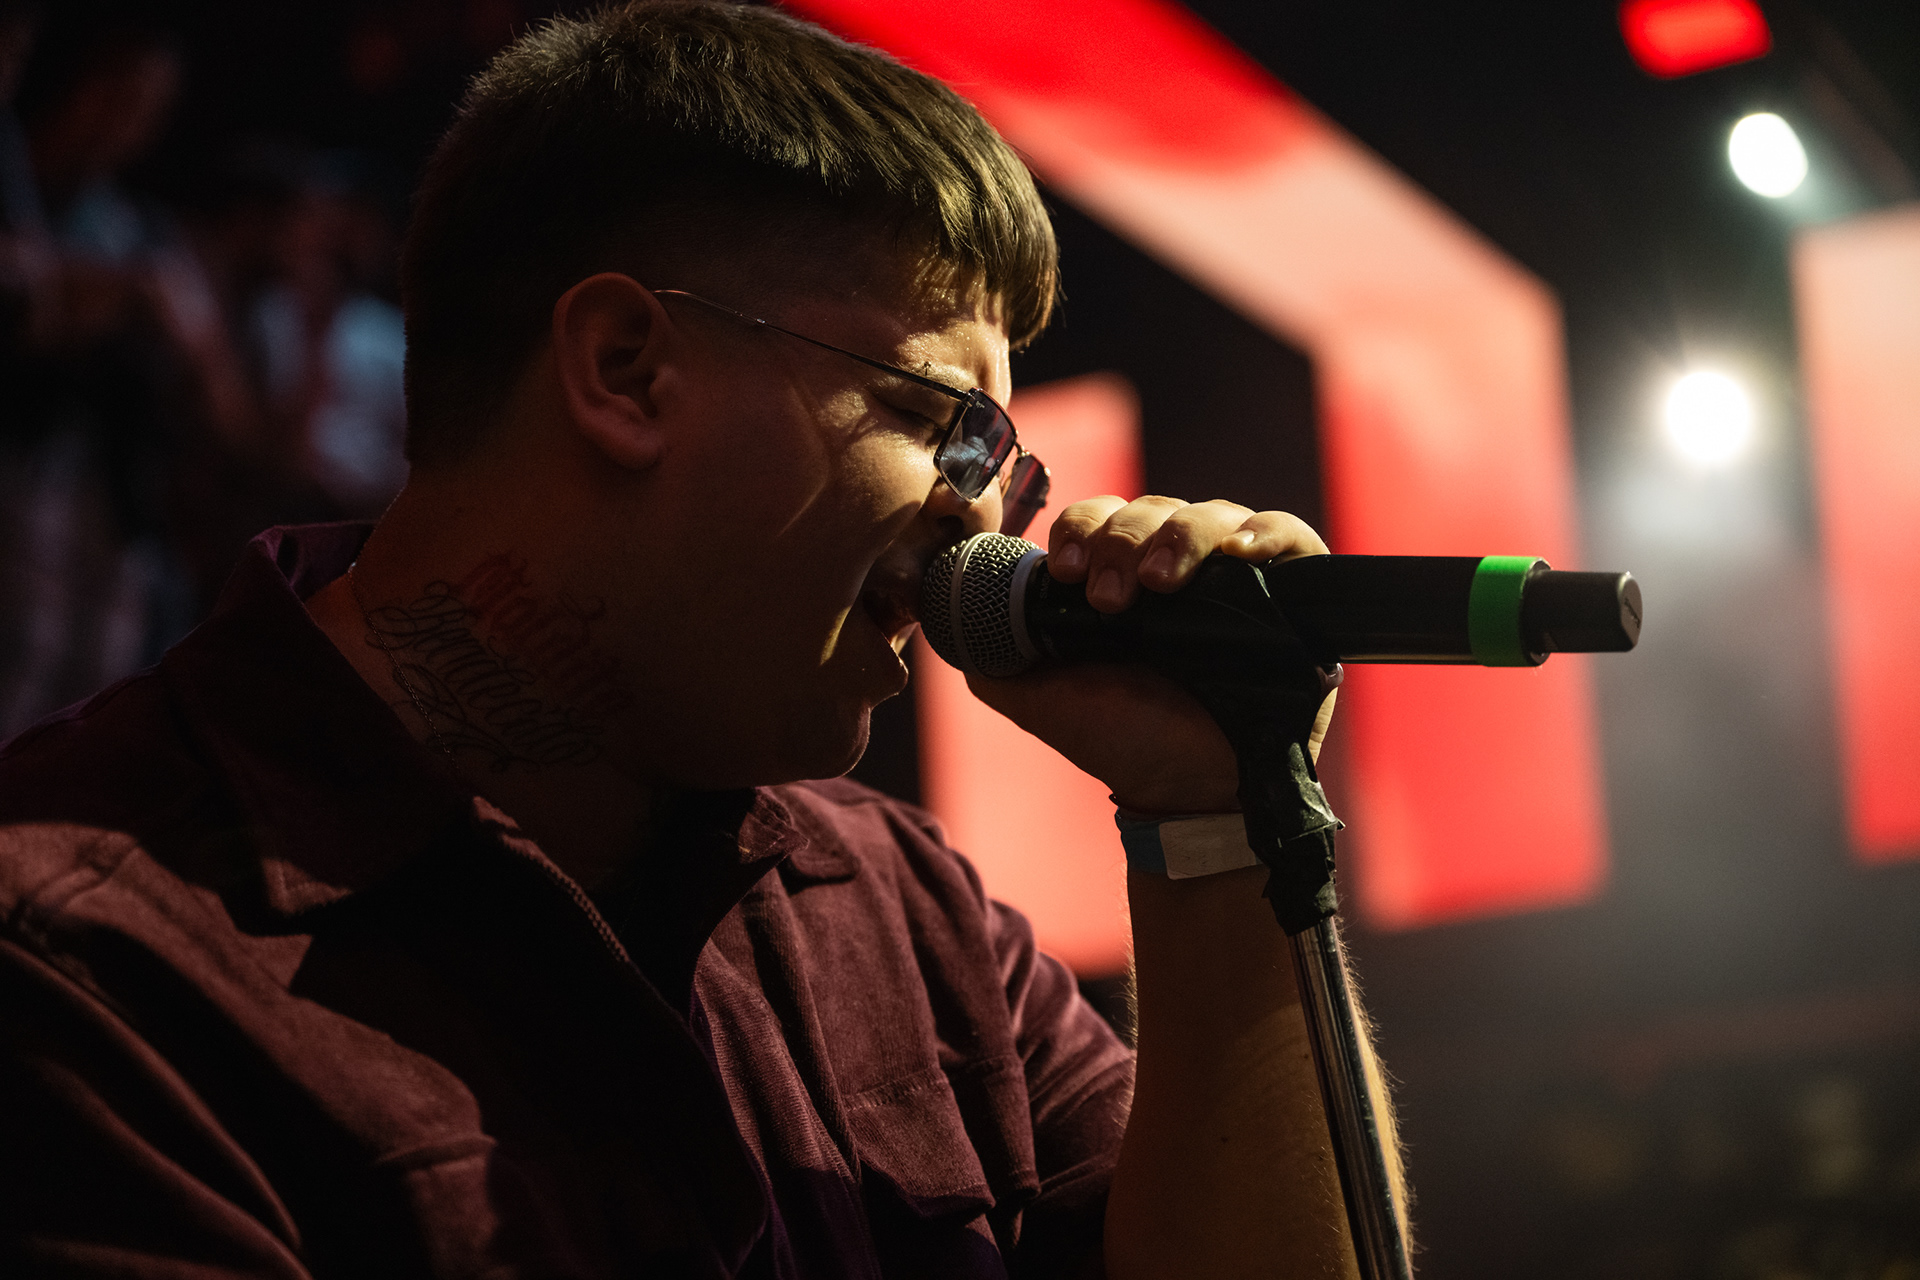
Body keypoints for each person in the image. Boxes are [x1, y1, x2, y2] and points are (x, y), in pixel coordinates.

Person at [0, 3, 1399, 1276]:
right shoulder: (84, 964)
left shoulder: (908, 912)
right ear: (624, 371)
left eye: (1004, 460)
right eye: (943, 423)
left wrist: (1213, 818)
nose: (985, 517)